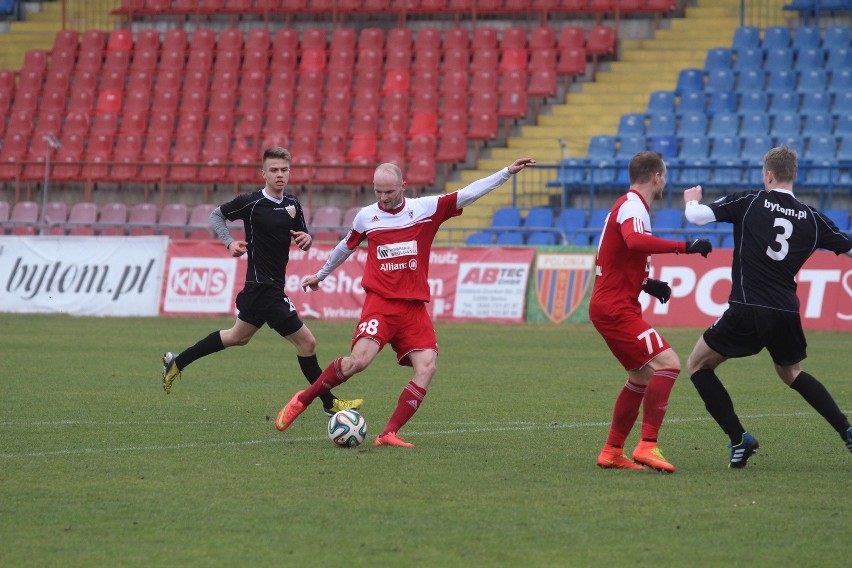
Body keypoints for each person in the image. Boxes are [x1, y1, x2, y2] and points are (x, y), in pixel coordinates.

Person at [274, 158, 537, 447]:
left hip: (413, 308)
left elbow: (469, 193)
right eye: (378, 192)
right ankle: (303, 399)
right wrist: (321, 275)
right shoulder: (366, 217)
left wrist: (505, 173)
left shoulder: (425, 209)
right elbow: (345, 246)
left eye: (389, 192)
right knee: (357, 362)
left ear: (403, 187)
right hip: (381, 304)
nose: (384, 199)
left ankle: (389, 433)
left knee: (427, 367)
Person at [161, 146, 362, 417]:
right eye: (274, 170)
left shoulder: (293, 205)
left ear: (289, 172)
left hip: (268, 288)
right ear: (264, 173)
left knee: (237, 337)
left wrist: (307, 241)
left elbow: (303, 238)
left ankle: (177, 362)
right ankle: (329, 403)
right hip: (263, 288)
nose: (279, 175)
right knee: (308, 344)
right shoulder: (252, 202)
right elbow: (216, 216)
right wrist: (229, 242)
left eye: (284, 170)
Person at [684, 146, 852, 468]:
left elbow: (696, 217)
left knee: (697, 365)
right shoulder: (813, 218)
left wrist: (691, 198)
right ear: (794, 175)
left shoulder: (748, 202)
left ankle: (738, 439)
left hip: (748, 307)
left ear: (769, 175)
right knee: (791, 373)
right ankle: (847, 430)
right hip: (786, 310)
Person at [591, 151, 713, 472]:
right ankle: (647, 445)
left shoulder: (625, 205)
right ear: (656, 177)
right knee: (669, 364)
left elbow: (616, 255)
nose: (665, 182)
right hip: (615, 308)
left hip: (613, 303)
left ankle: (612, 451)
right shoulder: (633, 206)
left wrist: (647, 284)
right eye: (665, 176)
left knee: (641, 375)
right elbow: (634, 241)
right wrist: (685, 247)